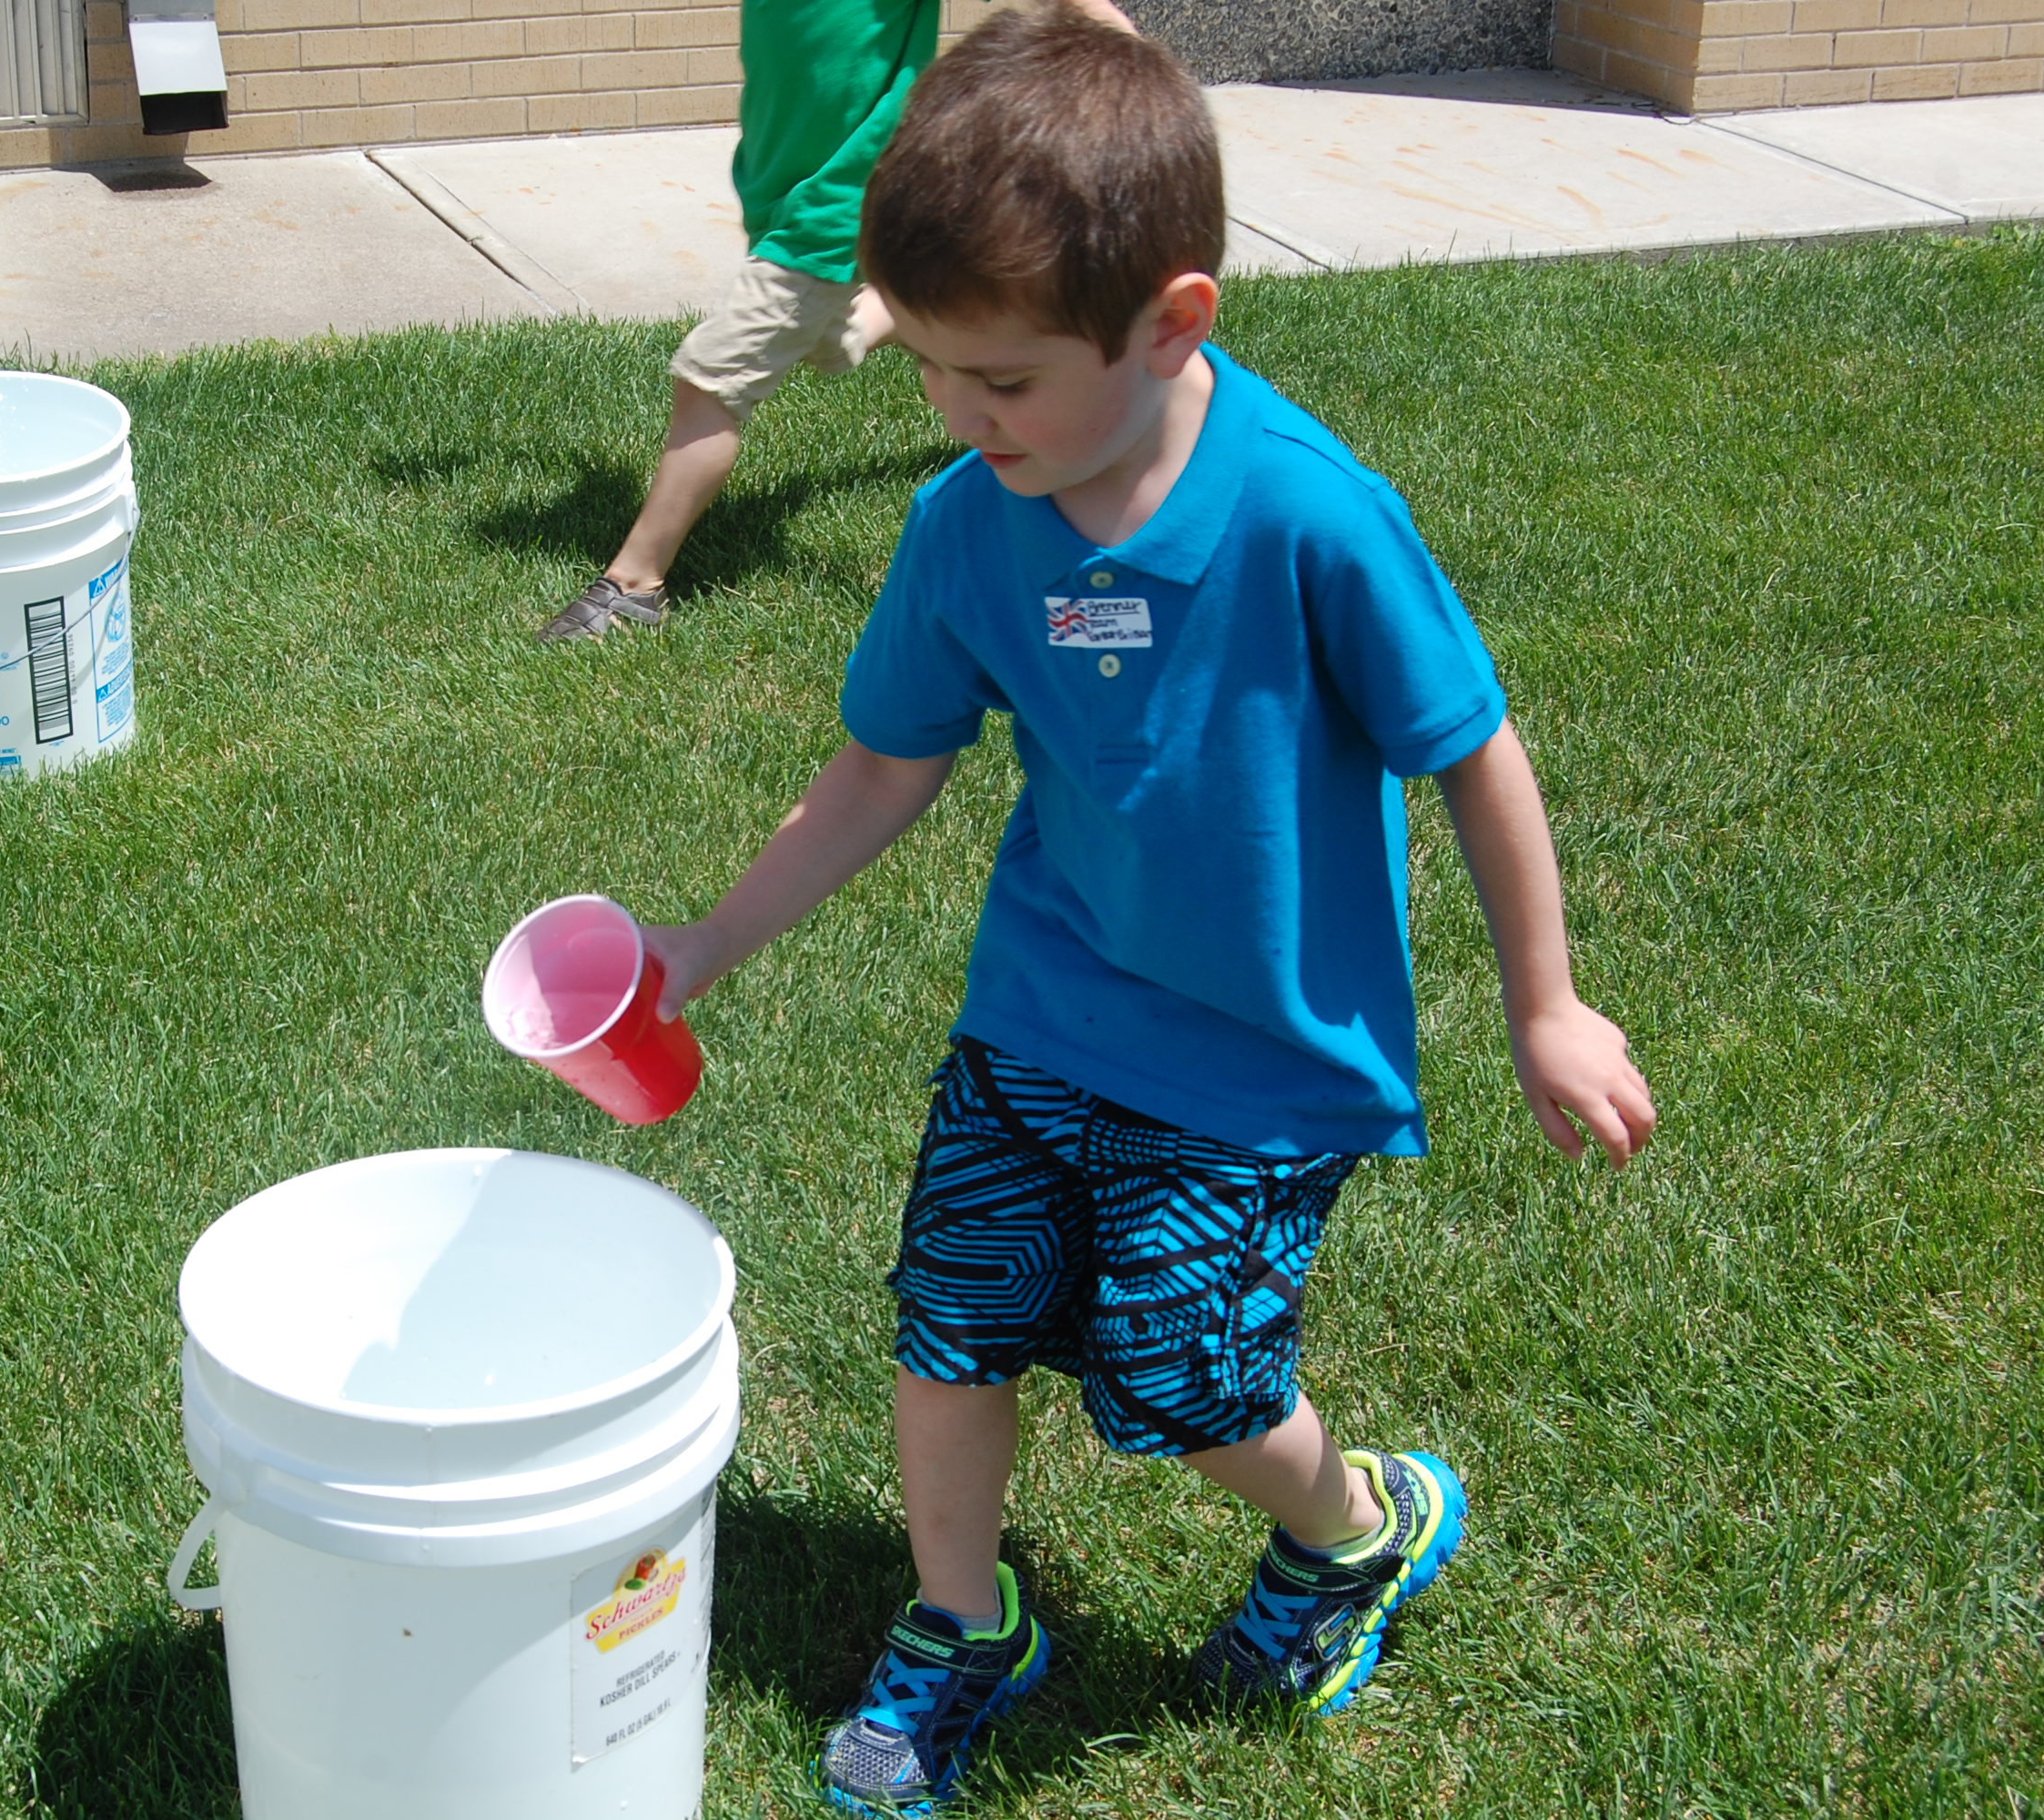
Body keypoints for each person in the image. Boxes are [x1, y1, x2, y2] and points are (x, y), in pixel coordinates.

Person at [635, 5, 1658, 1810]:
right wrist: (702, 944)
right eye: (930, 370)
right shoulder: (969, 522)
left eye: (1003, 380)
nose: (959, 418)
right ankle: (962, 1620)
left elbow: (1469, 747)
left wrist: (1544, 1004)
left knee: (1183, 1377)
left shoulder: (1308, 515)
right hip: (1043, 1007)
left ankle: (1350, 1529)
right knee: (952, 1321)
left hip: (1261, 1053)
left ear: (1173, 321)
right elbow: (877, 770)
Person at [535, 0, 1135, 643]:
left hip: (834, 206)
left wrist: (1144, 80)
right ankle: (939, 318)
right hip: (781, 195)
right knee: (839, 334)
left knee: (711, 380)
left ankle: (634, 585)